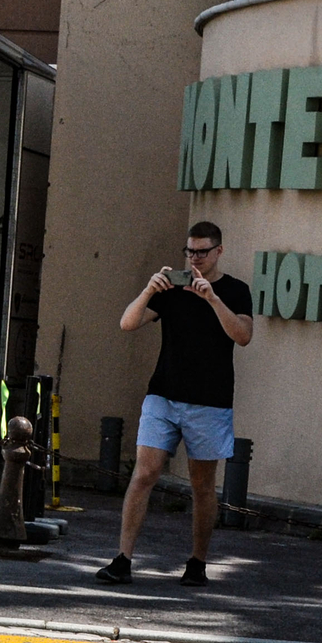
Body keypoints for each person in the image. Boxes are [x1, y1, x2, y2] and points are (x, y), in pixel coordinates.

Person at [97, 222, 252, 587]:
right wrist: (150, 289)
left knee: (202, 485)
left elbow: (243, 335)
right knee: (145, 472)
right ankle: (123, 559)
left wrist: (212, 298)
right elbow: (127, 323)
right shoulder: (172, 290)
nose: (195, 258)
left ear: (219, 251)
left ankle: (197, 562)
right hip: (163, 396)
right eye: (189, 252)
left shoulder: (234, 290)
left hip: (209, 402)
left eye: (201, 251)